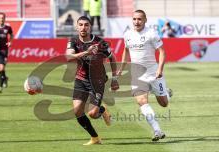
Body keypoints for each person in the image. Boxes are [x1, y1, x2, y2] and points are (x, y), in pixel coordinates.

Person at [117, 10, 173, 141]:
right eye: (134, 19)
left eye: (139, 19)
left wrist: (160, 69)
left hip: (154, 74)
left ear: (145, 20)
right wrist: (121, 69)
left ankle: (167, 94)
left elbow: (162, 52)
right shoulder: (127, 34)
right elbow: (126, 52)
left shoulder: (151, 34)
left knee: (164, 103)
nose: (137, 22)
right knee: (142, 102)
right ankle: (157, 130)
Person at [66, 16, 119, 145]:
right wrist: (87, 52)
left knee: (93, 114)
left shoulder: (100, 43)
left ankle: (102, 110)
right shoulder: (73, 41)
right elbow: (68, 57)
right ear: (77, 27)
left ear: (90, 27)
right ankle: (95, 138)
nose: (83, 27)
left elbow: (112, 58)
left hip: (97, 81)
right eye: (81, 25)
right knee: (77, 112)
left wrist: (114, 78)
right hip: (80, 79)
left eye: (86, 25)